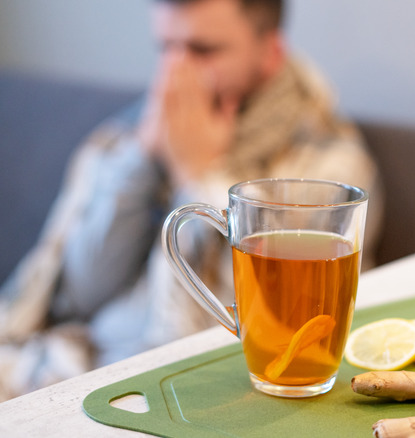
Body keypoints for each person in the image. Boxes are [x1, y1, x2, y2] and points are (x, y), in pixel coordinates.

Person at [0, 0, 381, 401]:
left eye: (203, 51)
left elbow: (241, 338)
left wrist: (200, 173)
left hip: (162, 383)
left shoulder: (326, 166)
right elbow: (75, 297)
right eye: (166, 48)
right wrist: (140, 162)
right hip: (58, 361)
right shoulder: (126, 136)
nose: (174, 74)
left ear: (270, 52)